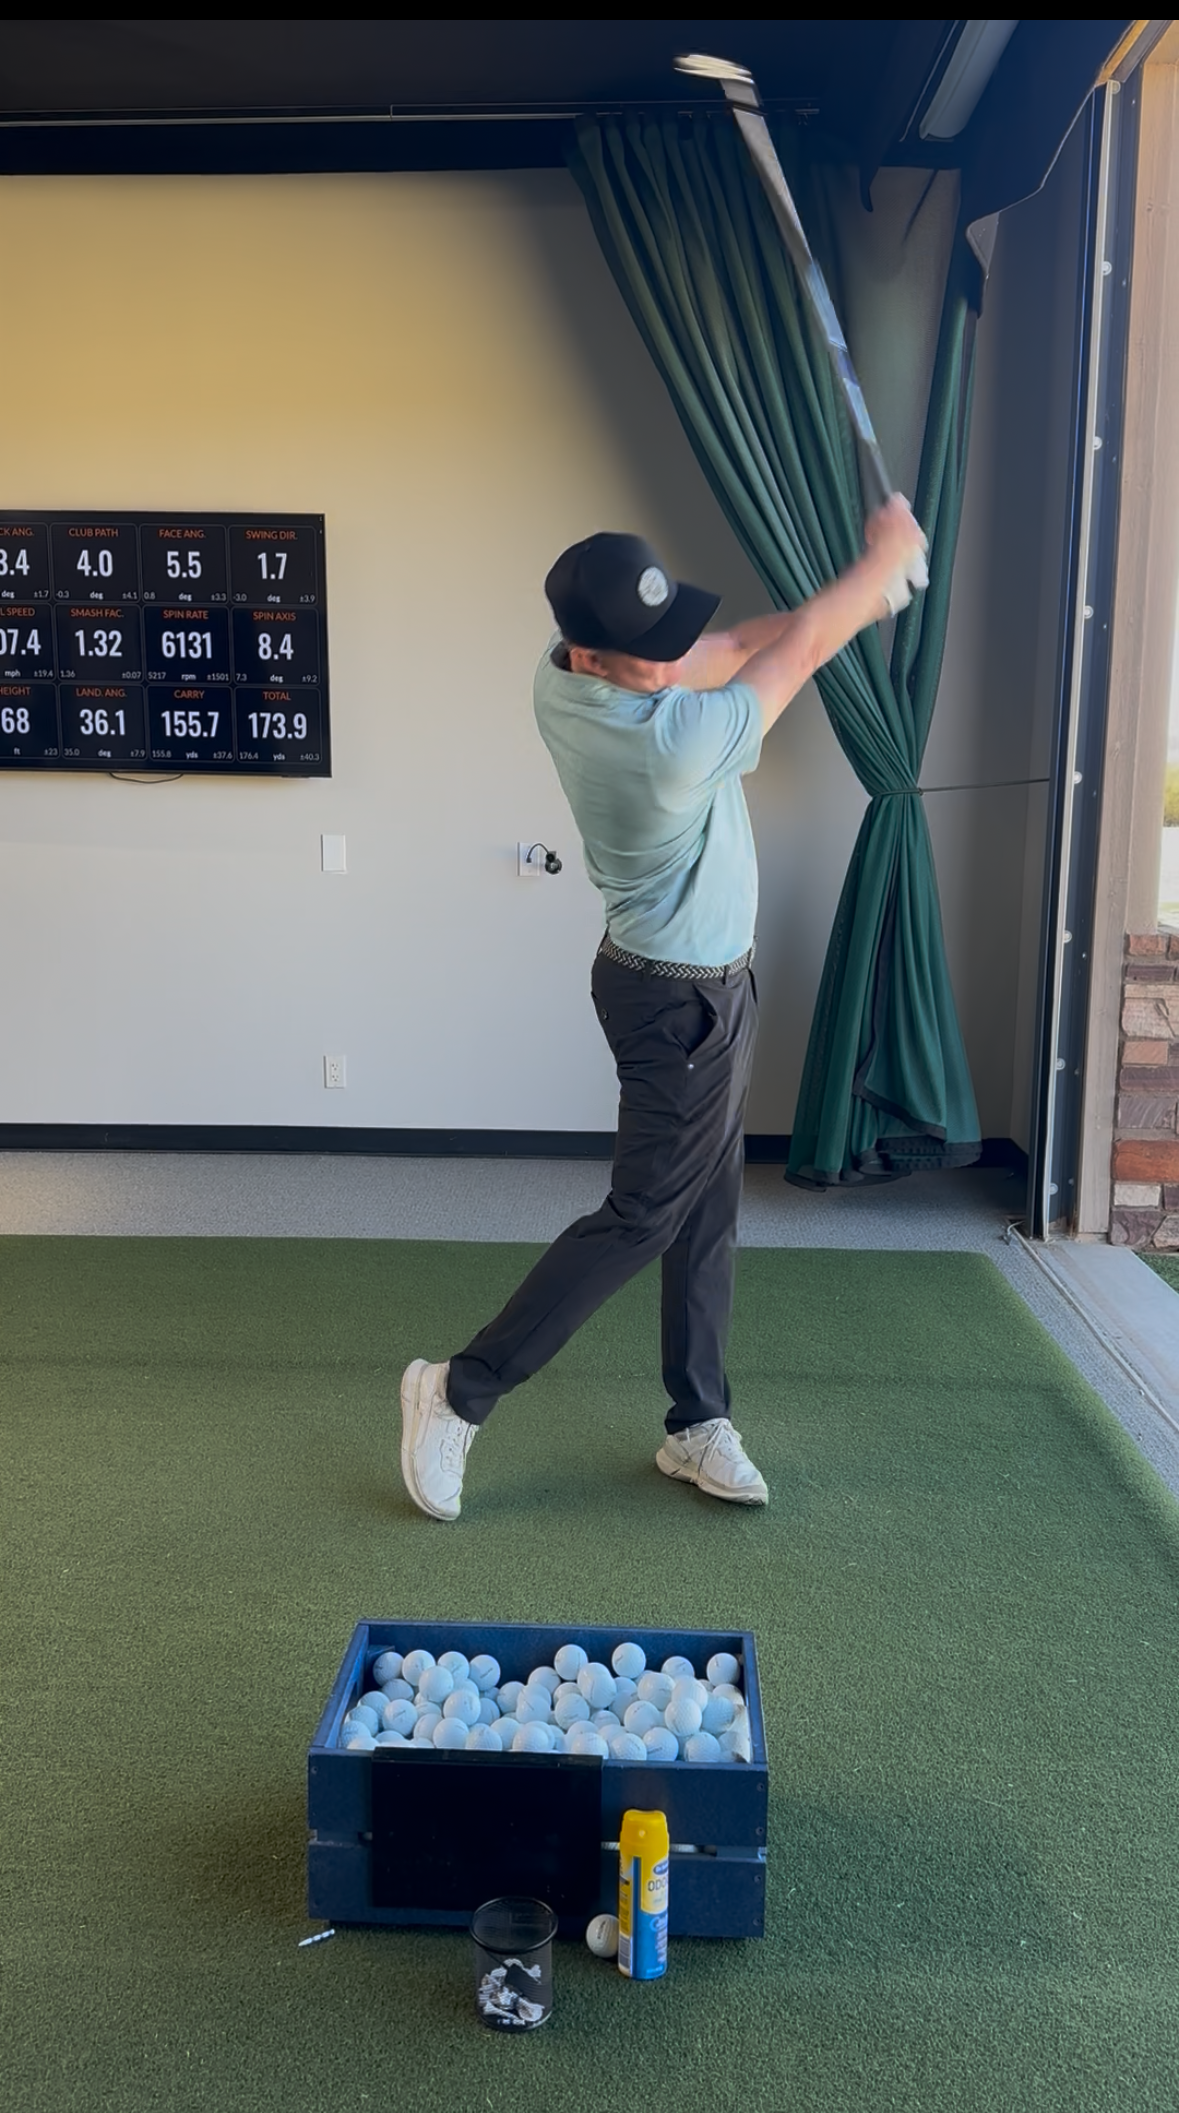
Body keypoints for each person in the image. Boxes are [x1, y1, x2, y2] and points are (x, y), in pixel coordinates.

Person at [400, 495, 927, 1522]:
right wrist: (880, 569)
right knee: (645, 1215)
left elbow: (731, 643)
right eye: (645, 650)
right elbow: (795, 656)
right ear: (594, 658)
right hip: (673, 1005)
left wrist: (858, 593)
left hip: (708, 987)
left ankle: (695, 1424)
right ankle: (459, 1390)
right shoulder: (663, 747)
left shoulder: (565, 675)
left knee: (706, 1210)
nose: (667, 655)